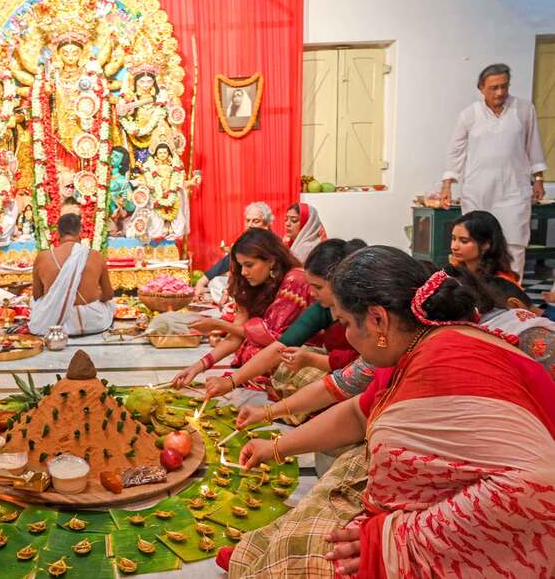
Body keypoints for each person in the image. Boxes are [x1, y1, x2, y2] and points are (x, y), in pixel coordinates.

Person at [231, 247, 555, 578]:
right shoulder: (418, 344)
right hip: (431, 516)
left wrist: (397, 541)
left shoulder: (444, 361)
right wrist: (272, 447)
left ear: (377, 319)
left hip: (474, 537)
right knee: (267, 544)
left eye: (344, 322)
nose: (346, 336)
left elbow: (539, 485)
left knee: (295, 555)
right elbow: (360, 413)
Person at [202, 239, 365, 408]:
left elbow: (363, 365)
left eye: (318, 287)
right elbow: (280, 346)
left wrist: (314, 360)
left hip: (357, 377)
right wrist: (230, 382)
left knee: (310, 379)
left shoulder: (367, 314)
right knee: (285, 360)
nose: (311, 292)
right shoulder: (323, 307)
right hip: (338, 366)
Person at [441, 63, 547, 277]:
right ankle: (478, 292)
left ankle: (511, 294)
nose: (500, 93)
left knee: (514, 244)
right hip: (478, 191)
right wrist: (447, 185)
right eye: (494, 88)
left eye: (504, 87)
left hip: (513, 190)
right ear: (481, 88)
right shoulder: (469, 115)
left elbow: (533, 145)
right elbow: (456, 152)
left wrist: (538, 179)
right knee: (474, 243)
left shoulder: (524, 109)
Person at [172, 229, 313, 389]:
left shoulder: (295, 280)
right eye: (240, 266)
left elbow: (272, 338)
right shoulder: (250, 282)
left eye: (249, 265)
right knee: (250, 351)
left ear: (272, 261)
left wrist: (218, 325)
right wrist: (196, 368)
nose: (244, 272)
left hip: (300, 354)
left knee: (255, 352)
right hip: (271, 355)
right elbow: (235, 337)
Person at [29, 213, 115, 336]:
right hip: (93, 322)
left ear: (58, 233)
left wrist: (60, 299)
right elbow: (108, 295)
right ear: (80, 232)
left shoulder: (43, 257)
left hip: (55, 324)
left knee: (33, 304)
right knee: (111, 304)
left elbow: (37, 296)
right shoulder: (95, 255)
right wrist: (94, 296)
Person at [194, 202, 274, 300]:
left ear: (266, 224)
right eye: (247, 220)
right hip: (243, 285)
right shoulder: (245, 241)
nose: (250, 225)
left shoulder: (272, 243)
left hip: (263, 288)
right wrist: (200, 283)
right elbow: (224, 263)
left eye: (255, 221)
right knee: (216, 281)